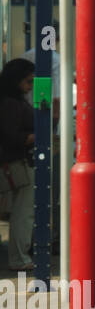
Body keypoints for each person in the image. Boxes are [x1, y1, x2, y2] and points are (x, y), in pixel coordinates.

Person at [0, 59, 36, 271]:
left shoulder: (10, 100)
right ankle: (20, 258)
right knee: (23, 213)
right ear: (16, 80)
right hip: (17, 163)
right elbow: (11, 136)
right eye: (28, 81)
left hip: (14, 162)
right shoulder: (12, 103)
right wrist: (35, 136)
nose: (31, 86)